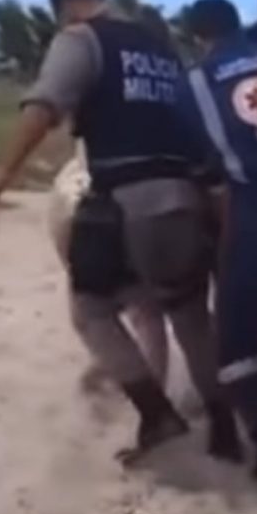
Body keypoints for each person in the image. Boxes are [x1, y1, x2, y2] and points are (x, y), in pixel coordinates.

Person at [0, 0, 241, 465]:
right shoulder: (162, 52)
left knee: (91, 311)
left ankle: (157, 414)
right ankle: (223, 425)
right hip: (186, 198)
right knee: (189, 314)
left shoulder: (82, 39)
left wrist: (3, 170)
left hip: (127, 198)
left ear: (63, 6)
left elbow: (44, 107)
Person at [184, 0, 257, 478]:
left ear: (198, 37)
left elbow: (203, 163)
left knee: (236, 336)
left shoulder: (196, 81)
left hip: (254, 215)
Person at [48, 140, 168, 391]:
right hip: (141, 194)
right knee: (145, 313)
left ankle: (147, 394)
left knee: (93, 312)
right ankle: (147, 387)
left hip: (86, 203)